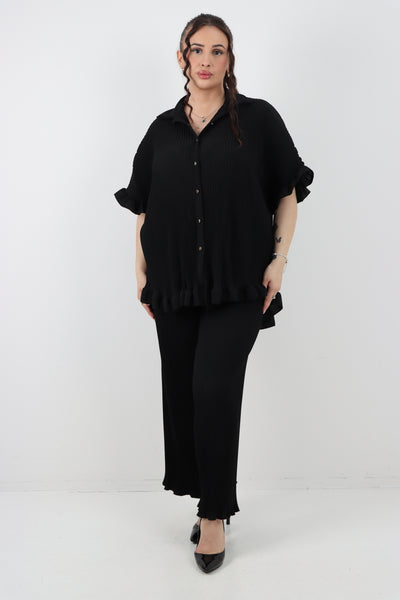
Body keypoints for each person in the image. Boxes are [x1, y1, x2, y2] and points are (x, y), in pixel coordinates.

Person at [114, 13, 314, 573]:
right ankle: (205, 493)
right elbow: (145, 206)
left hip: (239, 280)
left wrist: (278, 261)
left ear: (230, 59)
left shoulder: (258, 119)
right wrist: (141, 270)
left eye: (217, 50)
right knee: (183, 392)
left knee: (214, 387)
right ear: (182, 57)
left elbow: (287, 192)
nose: (205, 60)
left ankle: (214, 515)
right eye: (196, 49)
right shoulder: (161, 130)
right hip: (175, 283)